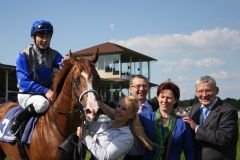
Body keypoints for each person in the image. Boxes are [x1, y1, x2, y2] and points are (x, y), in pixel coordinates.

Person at [10, 20, 64, 136]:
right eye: (41, 36)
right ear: (34, 37)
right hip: (27, 95)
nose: (44, 40)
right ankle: (17, 121)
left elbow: (64, 67)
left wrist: (68, 63)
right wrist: (46, 91)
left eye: (47, 36)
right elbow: (24, 83)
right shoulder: (23, 55)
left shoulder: (54, 54)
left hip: (46, 95)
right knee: (42, 104)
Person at [60, 96, 154, 160]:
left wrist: (85, 137)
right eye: (118, 106)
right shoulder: (107, 124)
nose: (118, 110)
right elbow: (88, 125)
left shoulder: (127, 137)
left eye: (124, 109)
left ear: (131, 115)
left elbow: (105, 157)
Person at [183, 75, 238, 160]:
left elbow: (223, 138)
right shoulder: (195, 108)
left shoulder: (228, 110)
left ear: (216, 91)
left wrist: (196, 128)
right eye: (200, 91)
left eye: (208, 91)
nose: (204, 95)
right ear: (196, 92)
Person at [139, 81, 195, 160]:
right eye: (162, 97)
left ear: (175, 100)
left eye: (169, 98)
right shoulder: (145, 117)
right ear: (158, 98)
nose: (164, 101)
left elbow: (189, 152)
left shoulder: (183, 124)